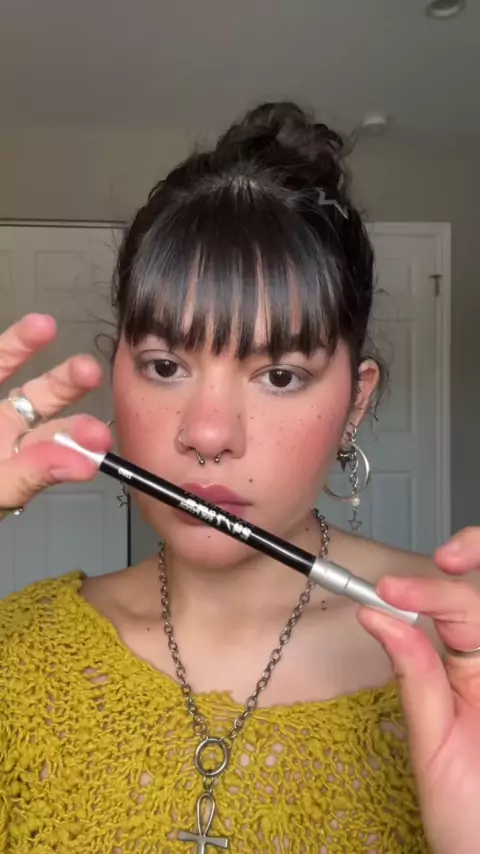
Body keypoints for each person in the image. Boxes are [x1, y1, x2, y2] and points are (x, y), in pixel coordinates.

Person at [0, 101, 479, 854]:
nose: (208, 433)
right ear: (117, 372)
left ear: (354, 402)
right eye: (165, 366)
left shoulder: (464, 655)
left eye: (280, 376)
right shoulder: (19, 654)